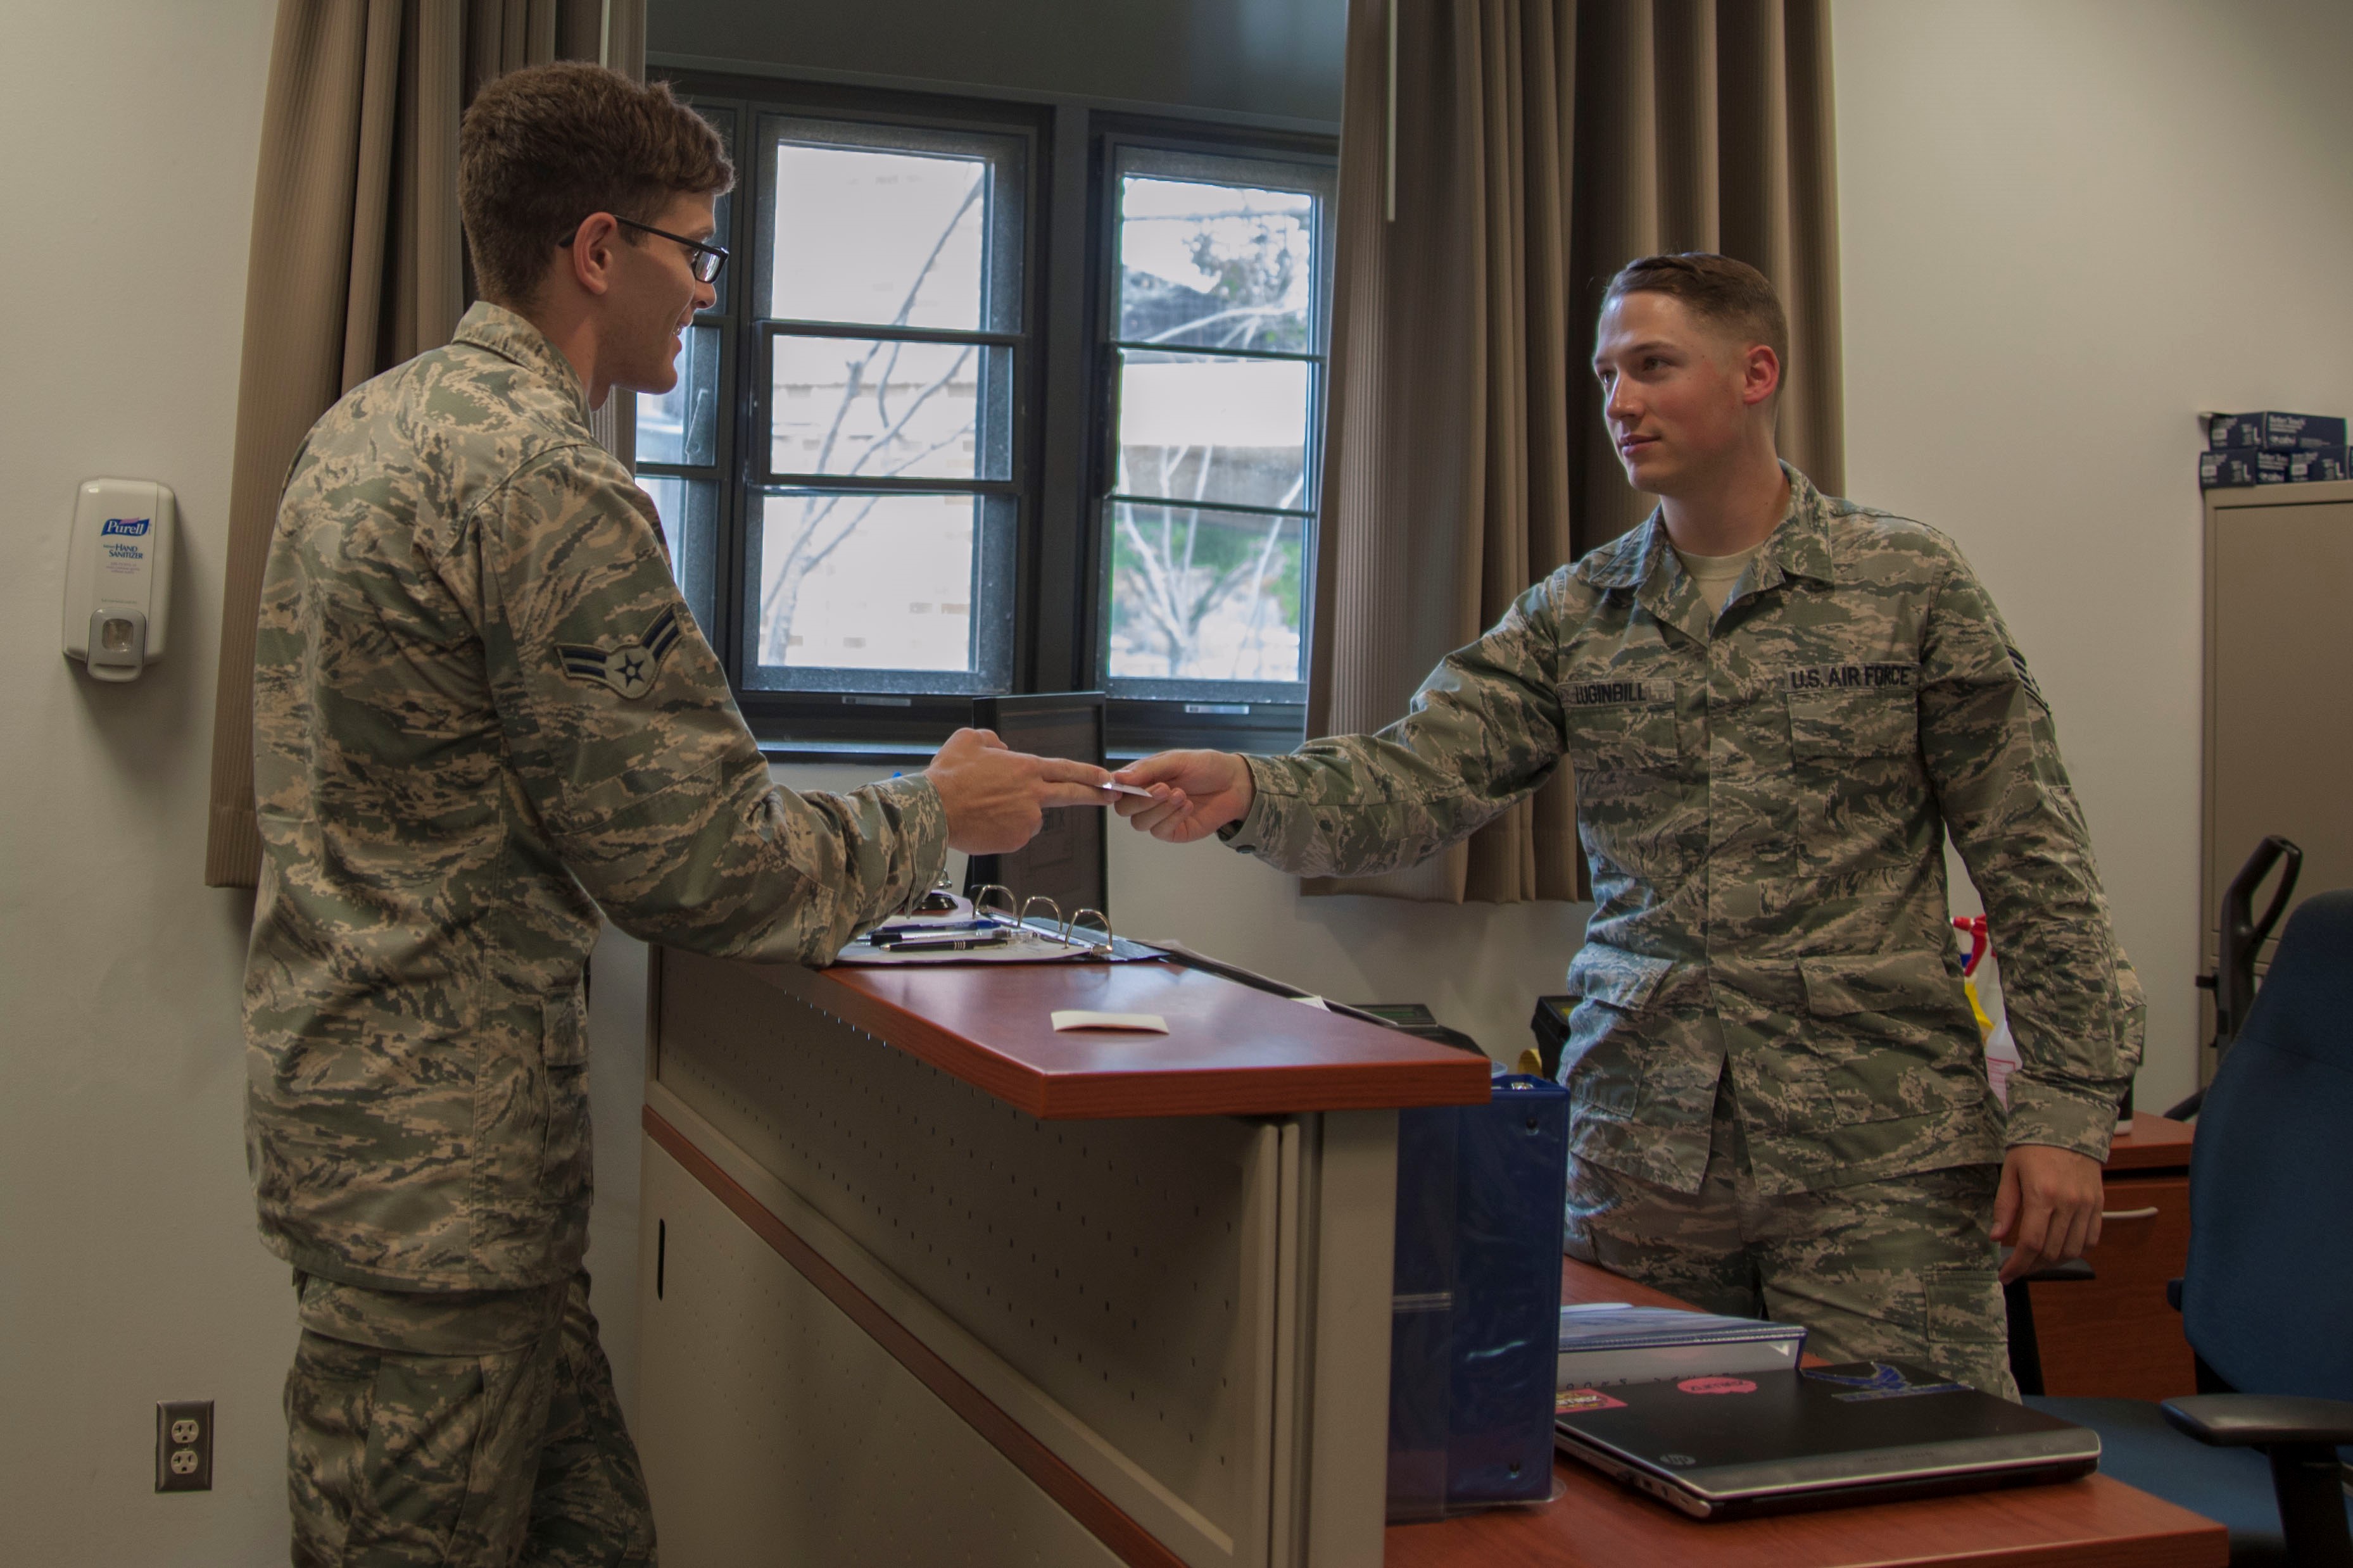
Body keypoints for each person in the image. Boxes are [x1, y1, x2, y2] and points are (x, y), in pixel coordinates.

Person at [243, 63, 1108, 1565]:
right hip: (440, 1186)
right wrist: (939, 811)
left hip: (382, 1140)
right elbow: (701, 864)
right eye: (694, 252)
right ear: (596, 251)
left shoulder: (367, 426)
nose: (708, 291)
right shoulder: (540, 478)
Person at [1112, 252, 2142, 1399]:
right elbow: (1417, 775)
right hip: (1646, 1159)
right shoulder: (1580, 611)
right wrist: (1249, 791)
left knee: (1904, 1498)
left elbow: (2036, 859)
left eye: (1653, 366)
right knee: (1644, 1493)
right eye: (1608, 374)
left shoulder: (1906, 584)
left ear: (1757, 373)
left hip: (1877, 1161)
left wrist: (2063, 1112)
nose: (1620, 402)